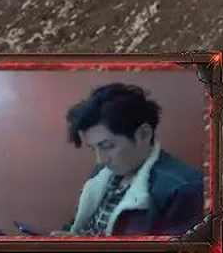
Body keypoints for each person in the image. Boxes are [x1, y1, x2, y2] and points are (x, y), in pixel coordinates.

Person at [54, 83, 204, 237]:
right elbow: (78, 225)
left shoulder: (184, 189)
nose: (100, 160)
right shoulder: (101, 174)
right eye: (93, 148)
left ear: (144, 134)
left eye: (108, 146)